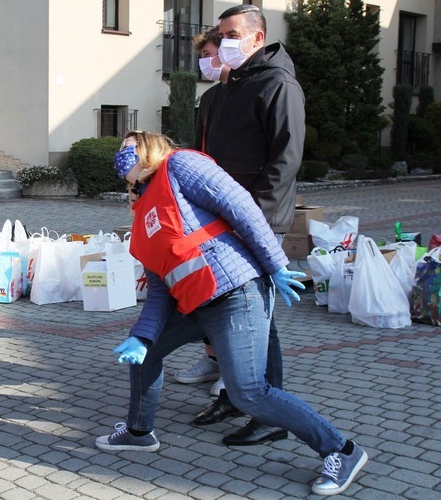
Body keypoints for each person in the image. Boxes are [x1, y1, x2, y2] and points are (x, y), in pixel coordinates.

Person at [95, 131, 368, 497]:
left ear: (151, 146)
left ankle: (342, 450)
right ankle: (138, 432)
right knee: (146, 356)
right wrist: (142, 336)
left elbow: (240, 205)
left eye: (129, 147)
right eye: (119, 151)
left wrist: (274, 264)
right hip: (195, 303)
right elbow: (161, 289)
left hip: (235, 292)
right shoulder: (142, 210)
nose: (121, 156)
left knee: (249, 393)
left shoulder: (180, 165)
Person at [187, 4, 306, 446]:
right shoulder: (230, 87)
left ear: (258, 38)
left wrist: (251, 217)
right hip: (224, 220)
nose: (226, 43)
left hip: (256, 221)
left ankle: (272, 413)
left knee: (259, 316)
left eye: (233, 35)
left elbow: (286, 159)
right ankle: (237, 395)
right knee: (225, 310)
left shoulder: (278, 84)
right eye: (223, 35)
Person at [174, 26, 229, 398]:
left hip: (237, 201)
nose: (206, 61)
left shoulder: (254, 91)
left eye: (211, 52)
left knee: (235, 291)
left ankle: (237, 368)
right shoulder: (210, 99)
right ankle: (212, 357)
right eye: (204, 54)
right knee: (206, 287)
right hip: (209, 206)